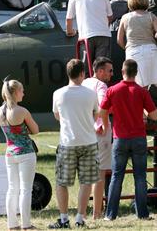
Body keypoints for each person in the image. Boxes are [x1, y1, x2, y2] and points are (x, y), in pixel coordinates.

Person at [100, 59, 157, 220]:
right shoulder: (142, 91)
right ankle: (142, 214)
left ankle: (110, 214)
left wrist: (106, 127)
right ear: (136, 72)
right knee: (140, 176)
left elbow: (102, 111)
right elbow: (155, 115)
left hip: (120, 139)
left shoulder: (112, 90)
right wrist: (144, 113)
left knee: (116, 176)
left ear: (122, 71)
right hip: (139, 137)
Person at [49, 59, 102, 229]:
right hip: (89, 141)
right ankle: (80, 217)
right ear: (82, 74)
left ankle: (64, 219)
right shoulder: (91, 94)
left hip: (67, 142)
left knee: (62, 182)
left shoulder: (58, 94)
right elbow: (95, 115)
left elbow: (57, 116)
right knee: (86, 181)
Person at [0, 79, 39, 230]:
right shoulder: (22, 111)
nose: (23, 93)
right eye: (21, 90)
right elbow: (35, 130)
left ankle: (12, 224)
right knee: (26, 189)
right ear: (15, 93)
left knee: (12, 188)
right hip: (26, 153)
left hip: (10, 153)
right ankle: (26, 224)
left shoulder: (0, 111)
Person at [81, 57, 114, 219]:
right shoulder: (101, 85)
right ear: (99, 71)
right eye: (109, 70)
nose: (111, 74)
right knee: (100, 175)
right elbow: (103, 106)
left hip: (84, 132)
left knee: (87, 175)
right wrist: (105, 124)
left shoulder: (84, 83)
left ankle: (83, 212)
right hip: (99, 133)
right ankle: (97, 213)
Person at [66, 0, 113, 67]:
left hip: (86, 36)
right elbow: (110, 17)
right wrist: (103, 27)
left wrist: (70, 32)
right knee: (102, 67)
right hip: (104, 35)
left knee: (86, 68)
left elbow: (69, 18)